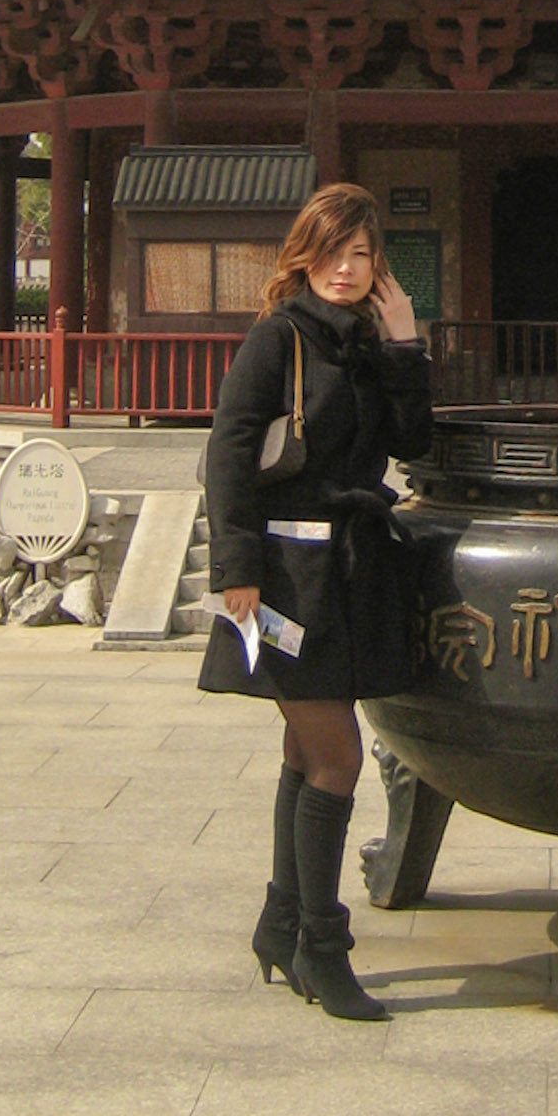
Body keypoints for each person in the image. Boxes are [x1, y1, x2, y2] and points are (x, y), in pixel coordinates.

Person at [198, 182, 433, 1021]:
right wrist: (236, 571)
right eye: (332, 252)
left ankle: (281, 924)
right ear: (305, 256)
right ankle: (322, 949)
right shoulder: (279, 337)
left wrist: (404, 344)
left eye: (360, 254)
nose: (345, 268)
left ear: (378, 267)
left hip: (352, 570)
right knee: (339, 758)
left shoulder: (366, 344)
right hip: (286, 577)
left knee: (305, 755)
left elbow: (410, 443)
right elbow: (228, 454)